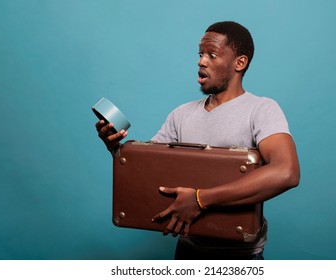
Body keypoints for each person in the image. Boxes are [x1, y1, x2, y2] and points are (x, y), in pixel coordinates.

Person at [95, 21, 300, 260]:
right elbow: (150, 174)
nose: (201, 61)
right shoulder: (180, 114)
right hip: (187, 252)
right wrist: (117, 150)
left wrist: (200, 200)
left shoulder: (262, 110)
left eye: (212, 55)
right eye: (200, 54)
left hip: (240, 258)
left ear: (239, 63)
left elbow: (287, 172)